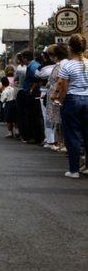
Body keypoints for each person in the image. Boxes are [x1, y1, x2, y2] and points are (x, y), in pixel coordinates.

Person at [56, 34, 88, 179]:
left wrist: (61, 101)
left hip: (73, 100)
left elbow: (63, 87)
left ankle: (74, 170)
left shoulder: (67, 65)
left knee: (73, 135)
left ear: (70, 48)